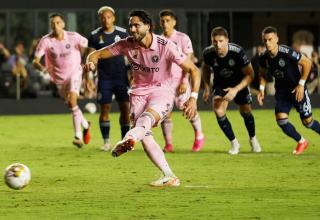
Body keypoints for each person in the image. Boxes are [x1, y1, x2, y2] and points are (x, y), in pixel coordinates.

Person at [85, 10, 200, 187]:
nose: (132, 29)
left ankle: (127, 139)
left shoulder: (166, 45)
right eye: (130, 25)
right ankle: (169, 175)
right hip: (138, 93)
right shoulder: (127, 44)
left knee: (145, 121)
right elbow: (97, 54)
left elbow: (194, 70)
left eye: (136, 25)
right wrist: (90, 62)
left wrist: (192, 98)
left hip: (162, 92)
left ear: (148, 26)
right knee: (145, 136)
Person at [257, 26, 320, 155]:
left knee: (308, 122)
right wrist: (262, 89)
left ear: (276, 39)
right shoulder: (263, 58)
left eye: (270, 39)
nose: (267, 43)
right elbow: (262, 73)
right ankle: (302, 141)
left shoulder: (287, 52)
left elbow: (307, 63)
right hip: (282, 92)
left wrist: (301, 84)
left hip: (297, 89)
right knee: (281, 120)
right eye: (265, 40)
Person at [33, 12, 91, 148]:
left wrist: (87, 62)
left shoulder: (73, 37)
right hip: (58, 79)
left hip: (75, 73)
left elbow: (89, 47)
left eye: (58, 23)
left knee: (72, 101)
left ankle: (78, 136)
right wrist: (42, 68)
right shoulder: (46, 40)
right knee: (72, 106)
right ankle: (86, 124)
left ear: (63, 24)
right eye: (52, 23)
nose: (55, 25)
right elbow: (35, 61)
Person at [202, 26, 261, 155]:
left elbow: (250, 75)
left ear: (227, 40)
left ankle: (253, 139)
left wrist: (235, 89)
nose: (218, 45)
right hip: (221, 84)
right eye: (215, 41)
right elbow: (205, 68)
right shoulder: (208, 53)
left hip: (239, 83)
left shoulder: (238, 51)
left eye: (221, 41)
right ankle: (234, 143)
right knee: (218, 110)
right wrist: (207, 88)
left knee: (245, 112)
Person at [158, 9, 205, 153]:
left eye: (168, 20)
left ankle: (199, 135)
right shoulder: (158, 39)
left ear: (174, 22)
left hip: (179, 80)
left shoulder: (183, 38)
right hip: (165, 83)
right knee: (165, 112)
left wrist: (185, 81)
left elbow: (189, 61)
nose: (165, 23)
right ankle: (168, 144)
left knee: (187, 110)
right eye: (163, 21)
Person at [87, 6, 130, 151]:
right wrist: (90, 70)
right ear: (100, 19)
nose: (106, 20)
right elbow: (91, 56)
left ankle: (124, 141)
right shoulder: (94, 35)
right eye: (103, 17)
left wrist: (133, 73)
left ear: (114, 18)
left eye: (109, 17)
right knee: (105, 108)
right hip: (104, 78)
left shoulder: (123, 33)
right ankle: (106, 142)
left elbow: (131, 53)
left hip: (121, 77)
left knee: (125, 108)